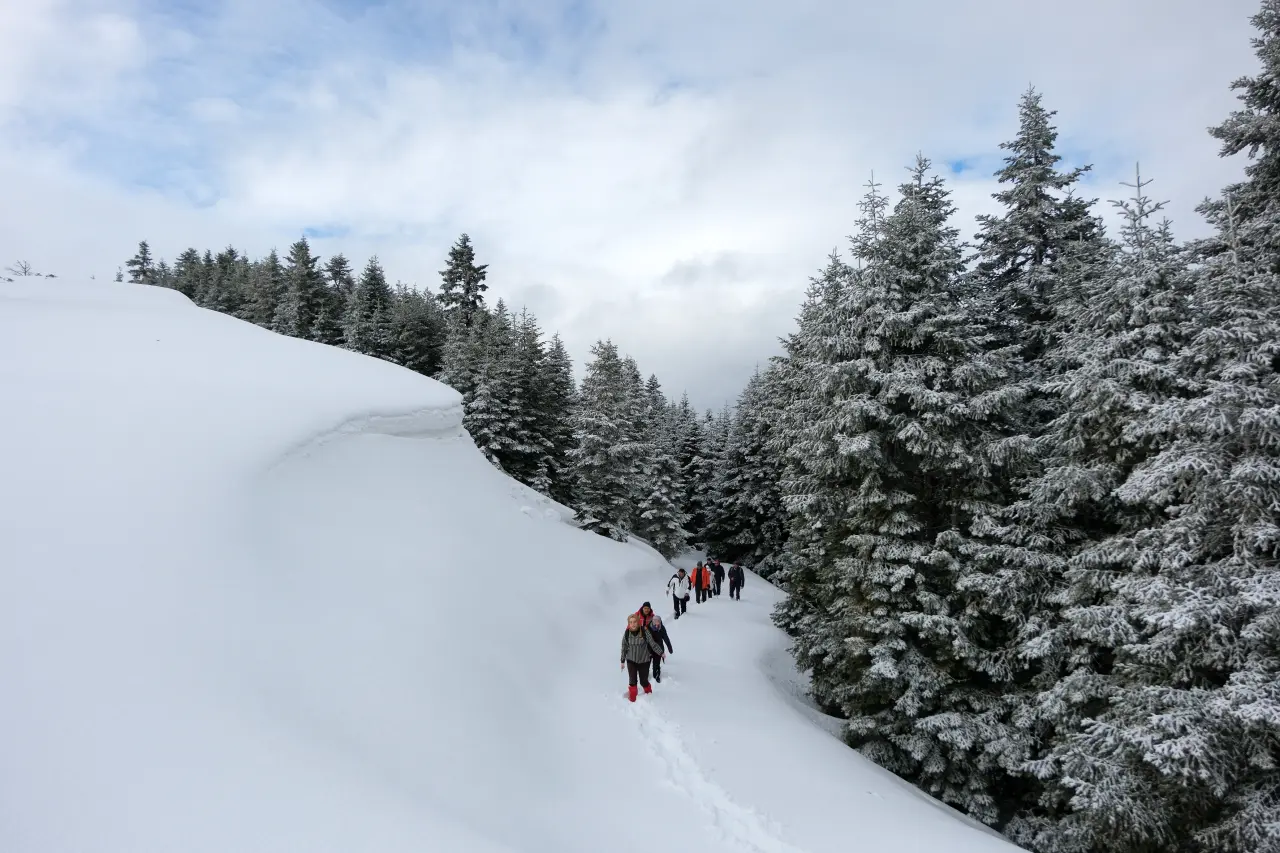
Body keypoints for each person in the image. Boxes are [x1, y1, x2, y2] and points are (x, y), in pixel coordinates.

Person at [620, 612, 664, 702]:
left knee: (643, 681)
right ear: (629, 623)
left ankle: (649, 696)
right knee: (632, 681)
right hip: (631, 660)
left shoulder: (644, 631)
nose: (633, 624)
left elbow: (652, 643)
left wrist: (660, 652)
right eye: (631, 622)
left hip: (644, 661)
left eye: (634, 622)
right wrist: (622, 660)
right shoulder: (627, 633)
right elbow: (624, 646)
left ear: (638, 622)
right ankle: (632, 700)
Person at [647, 613, 674, 683]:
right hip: (649, 648)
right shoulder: (648, 627)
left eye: (658, 621)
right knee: (647, 662)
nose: (656, 623)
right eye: (655, 621)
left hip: (659, 648)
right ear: (652, 621)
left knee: (656, 663)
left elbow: (666, 638)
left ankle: (656, 675)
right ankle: (645, 674)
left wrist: (669, 647)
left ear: (660, 621)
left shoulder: (662, 628)